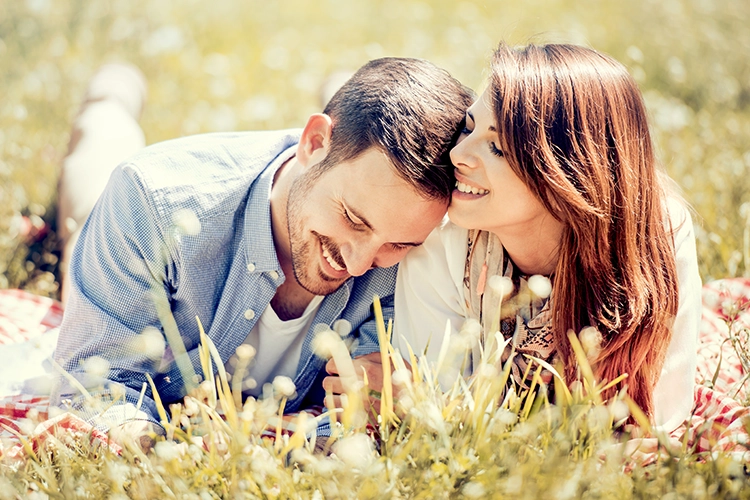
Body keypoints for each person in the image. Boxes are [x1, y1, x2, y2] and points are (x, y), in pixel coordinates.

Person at [52, 57, 474, 441]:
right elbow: (97, 385)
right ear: (313, 143)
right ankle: (112, 93)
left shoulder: (427, 249)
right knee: (94, 184)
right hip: (154, 212)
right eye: (353, 219)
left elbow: (363, 410)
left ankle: (341, 76)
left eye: (397, 243)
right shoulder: (152, 201)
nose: (361, 263)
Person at [376, 43, 700, 433]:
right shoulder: (442, 240)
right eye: (467, 127)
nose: (458, 153)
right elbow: (432, 408)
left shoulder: (654, 236)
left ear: (571, 171)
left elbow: (657, 419)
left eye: (496, 146)